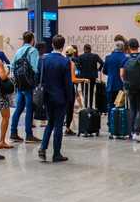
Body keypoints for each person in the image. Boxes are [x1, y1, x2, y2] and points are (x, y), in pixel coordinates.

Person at [38, 34, 74, 163]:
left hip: (47, 96)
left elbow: (39, 78)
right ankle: (56, 153)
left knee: (50, 123)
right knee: (58, 125)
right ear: (63, 46)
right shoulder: (65, 61)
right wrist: (70, 98)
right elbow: (68, 83)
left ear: (52, 44)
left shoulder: (43, 60)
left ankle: (43, 147)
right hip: (60, 98)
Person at [10, 31, 41, 143]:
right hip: (29, 84)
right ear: (32, 40)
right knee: (29, 109)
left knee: (19, 108)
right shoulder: (33, 51)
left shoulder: (18, 51)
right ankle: (29, 134)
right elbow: (35, 68)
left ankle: (13, 133)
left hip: (20, 84)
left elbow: (12, 66)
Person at [103, 40, 128, 126]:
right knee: (121, 105)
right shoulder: (125, 57)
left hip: (110, 85)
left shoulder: (108, 57)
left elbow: (104, 71)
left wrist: (111, 74)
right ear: (123, 48)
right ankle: (120, 123)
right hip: (121, 85)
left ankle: (110, 122)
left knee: (110, 105)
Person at [64, 46, 88, 136]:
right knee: (69, 109)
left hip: (62, 88)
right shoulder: (71, 63)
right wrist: (83, 79)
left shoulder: (62, 61)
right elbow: (73, 79)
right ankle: (67, 128)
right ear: (73, 53)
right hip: (69, 88)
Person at [0, 50, 13, 149]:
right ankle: (2, 141)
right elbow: (3, 76)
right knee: (6, 117)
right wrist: (7, 71)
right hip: (1, 94)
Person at [77, 44, 103, 109]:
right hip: (92, 76)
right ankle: (90, 107)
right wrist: (98, 70)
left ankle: (86, 107)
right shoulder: (95, 56)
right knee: (91, 92)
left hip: (83, 77)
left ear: (84, 49)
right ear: (90, 49)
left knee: (84, 92)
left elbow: (77, 66)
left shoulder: (81, 56)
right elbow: (102, 63)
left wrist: (81, 69)